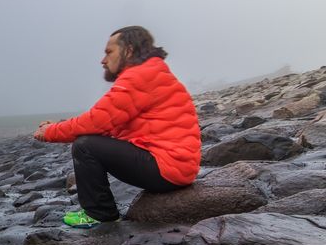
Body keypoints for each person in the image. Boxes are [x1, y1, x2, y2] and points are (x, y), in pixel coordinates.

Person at [33, 26, 201, 228]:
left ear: (128, 51)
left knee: (85, 145)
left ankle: (100, 214)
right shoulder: (150, 72)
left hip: (167, 168)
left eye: (109, 52)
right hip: (175, 166)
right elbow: (107, 122)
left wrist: (50, 132)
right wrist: (59, 126)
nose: (103, 60)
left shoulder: (139, 76)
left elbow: (96, 121)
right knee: (91, 141)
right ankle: (101, 211)